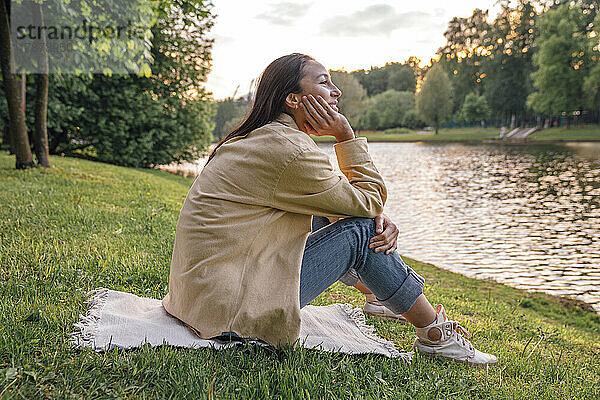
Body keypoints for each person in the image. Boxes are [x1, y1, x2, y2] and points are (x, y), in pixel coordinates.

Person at [162, 53, 497, 366]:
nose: (336, 92)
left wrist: (370, 212)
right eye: (323, 83)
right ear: (292, 99)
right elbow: (369, 200)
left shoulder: (266, 138)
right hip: (231, 310)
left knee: (345, 217)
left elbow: (349, 200)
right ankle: (434, 334)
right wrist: (345, 136)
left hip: (203, 296)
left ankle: (378, 296)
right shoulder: (287, 149)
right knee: (362, 231)